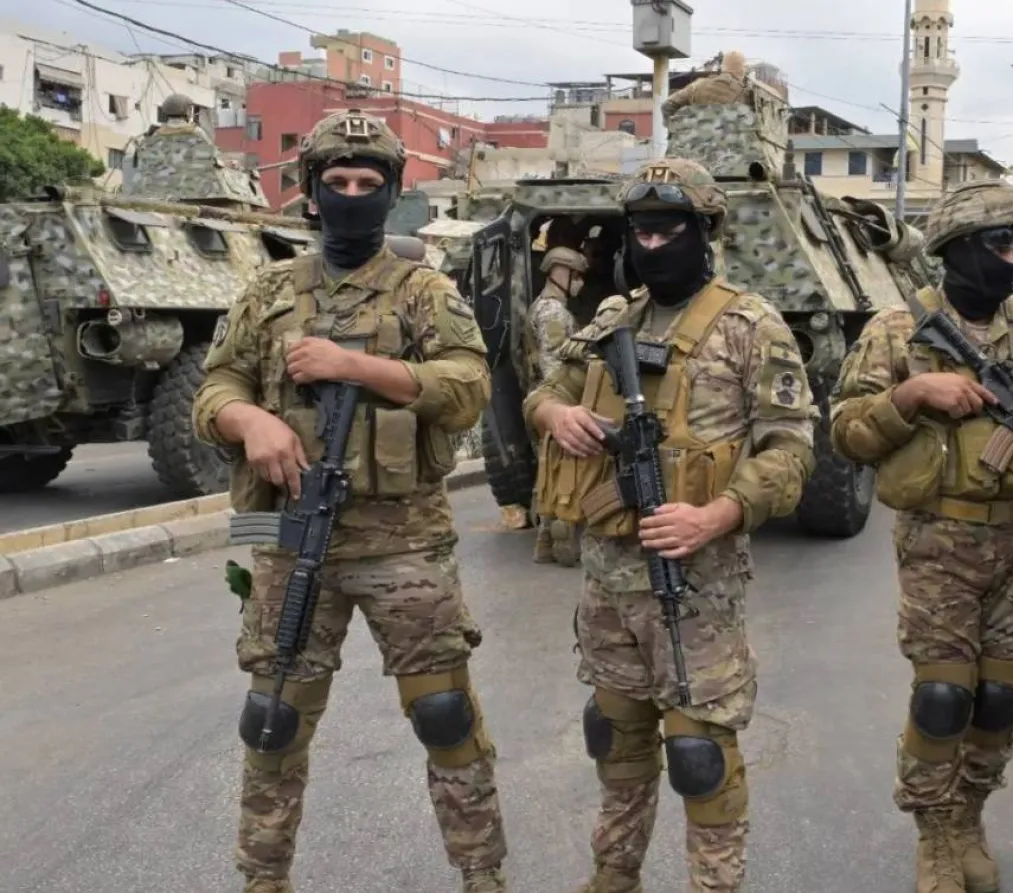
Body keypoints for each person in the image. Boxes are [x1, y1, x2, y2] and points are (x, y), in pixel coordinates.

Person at [191, 109, 510, 893]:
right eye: (338, 183)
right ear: (311, 193)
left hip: (404, 540)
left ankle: (483, 876)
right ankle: (263, 880)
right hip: (289, 534)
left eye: (370, 184)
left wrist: (359, 367)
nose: (353, 196)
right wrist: (248, 417)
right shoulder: (268, 290)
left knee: (445, 716)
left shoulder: (423, 291)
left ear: (393, 194)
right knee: (273, 719)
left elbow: (470, 386)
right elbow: (215, 384)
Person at [524, 157, 816, 893]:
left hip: (697, 583)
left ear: (704, 232)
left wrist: (718, 512)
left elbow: (792, 447)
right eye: (641, 230)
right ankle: (612, 876)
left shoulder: (752, 324)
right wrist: (558, 415)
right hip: (607, 583)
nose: (652, 244)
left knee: (700, 757)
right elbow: (543, 393)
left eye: (669, 229)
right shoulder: (611, 318)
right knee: (615, 742)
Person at [828, 179, 1013, 893]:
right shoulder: (898, 330)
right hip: (938, 543)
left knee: (999, 698)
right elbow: (844, 434)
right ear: (955, 250)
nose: (1010, 255)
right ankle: (934, 834)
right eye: (996, 242)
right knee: (943, 697)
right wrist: (910, 395)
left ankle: (970, 817)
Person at [525, 244, 590, 566]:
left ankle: (545, 543)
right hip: (554, 403)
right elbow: (555, 365)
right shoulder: (553, 312)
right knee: (563, 472)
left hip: (545, 401)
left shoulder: (544, 307)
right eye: (576, 275)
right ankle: (563, 541)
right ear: (560, 273)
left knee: (548, 471)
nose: (579, 283)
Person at [661, 50, 750, 117]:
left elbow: (667, 106)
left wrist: (677, 129)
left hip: (696, 141)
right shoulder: (746, 95)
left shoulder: (698, 85)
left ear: (723, 67)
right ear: (742, 70)